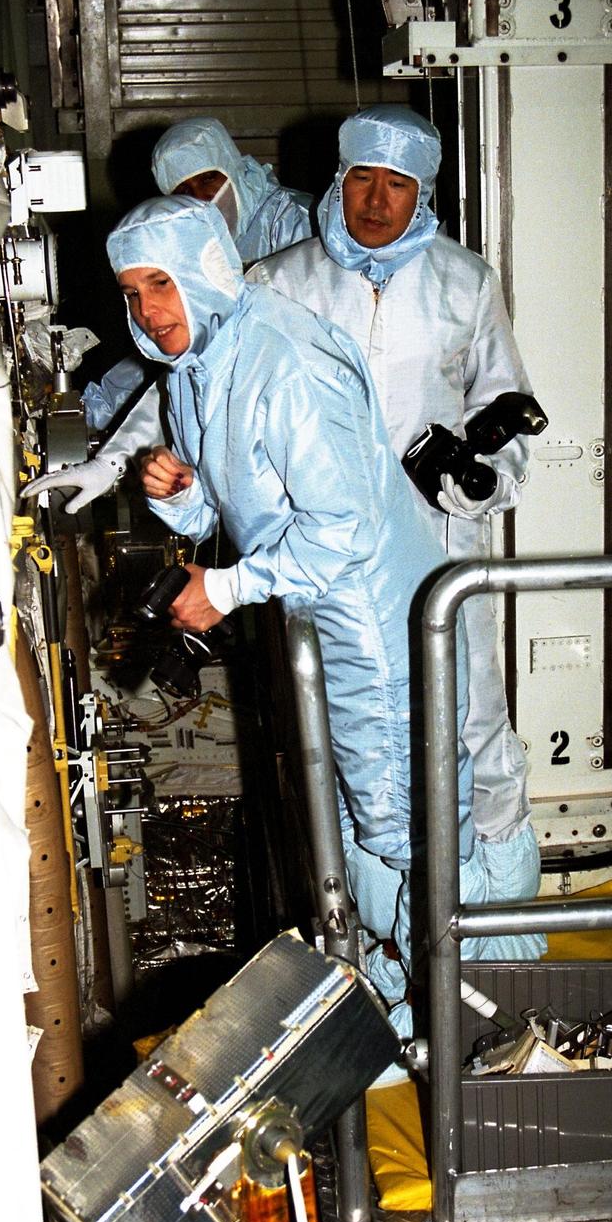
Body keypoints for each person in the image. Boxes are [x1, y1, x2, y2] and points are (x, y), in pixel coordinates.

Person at [104, 196, 541, 1032]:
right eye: (131, 293)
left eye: (160, 283)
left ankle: (460, 1009)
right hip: (320, 619)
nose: (148, 312)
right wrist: (181, 495)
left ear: (204, 271)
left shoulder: (283, 360)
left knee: (404, 824)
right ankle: (430, 964)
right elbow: (242, 511)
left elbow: (343, 528)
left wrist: (224, 590)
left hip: (372, 624)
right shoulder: (199, 365)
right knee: (357, 819)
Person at [246, 105, 544, 942]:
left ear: (424, 193)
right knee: (345, 740)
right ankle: (376, 936)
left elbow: (503, 403)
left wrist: (475, 482)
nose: (376, 202)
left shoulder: (465, 282)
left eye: (397, 185)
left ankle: (499, 933)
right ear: (340, 181)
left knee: (473, 719)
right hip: (327, 558)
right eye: (363, 180)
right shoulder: (278, 285)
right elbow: (240, 412)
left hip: (442, 550)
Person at [32, 118, 315, 513]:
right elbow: (175, 356)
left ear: (233, 171)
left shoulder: (299, 228)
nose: (201, 200)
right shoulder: (189, 244)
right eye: (183, 192)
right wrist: (98, 420)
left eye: (208, 183)